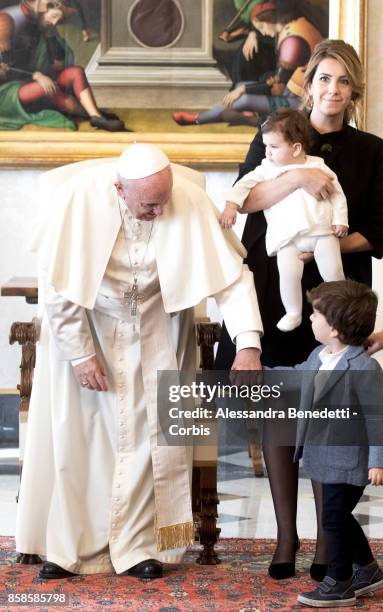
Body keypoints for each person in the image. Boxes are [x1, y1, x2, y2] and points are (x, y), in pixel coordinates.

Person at [15, 144, 263, 580]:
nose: (160, 210)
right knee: (82, 443)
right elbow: (58, 284)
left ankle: (144, 549)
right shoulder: (79, 201)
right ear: (119, 189)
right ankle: (71, 549)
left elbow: (232, 279)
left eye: (164, 199)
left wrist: (247, 343)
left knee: (152, 447)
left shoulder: (184, 200)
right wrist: (80, 355)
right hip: (88, 331)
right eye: (150, 203)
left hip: (158, 330)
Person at [215, 39, 383, 581]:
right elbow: (244, 200)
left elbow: (380, 231)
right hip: (277, 289)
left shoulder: (371, 149)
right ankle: (286, 536)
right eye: (324, 79)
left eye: (343, 81)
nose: (333, 90)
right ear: (309, 82)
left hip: (337, 296)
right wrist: (297, 177)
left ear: (353, 89)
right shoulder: (277, 133)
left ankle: (327, 539)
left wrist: (324, 242)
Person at [283, 280, 383, 607]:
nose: (311, 319)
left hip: (350, 461)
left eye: (316, 315)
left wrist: (380, 460)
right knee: (339, 515)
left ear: (335, 329)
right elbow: (297, 375)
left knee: (332, 517)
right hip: (323, 456)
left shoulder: (363, 367)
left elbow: (377, 418)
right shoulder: (319, 355)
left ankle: (339, 580)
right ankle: (369, 570)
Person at [220, 108, 347, 331]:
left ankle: (340, 305)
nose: (267, 152)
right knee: (288, 276)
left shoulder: (317, 165)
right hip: (288, 238)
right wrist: (231, 205)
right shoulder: (267, 168)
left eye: (274, 147)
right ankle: (293, 312)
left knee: (333, 271)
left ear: (296, 148)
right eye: (266, 146)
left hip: (322, 232)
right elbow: (243, 185)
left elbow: (337, 194)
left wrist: (340, 220)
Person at [173, 0, 323, 127]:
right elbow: (284, 77)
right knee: (239, 88)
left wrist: (245, 89)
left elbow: (278, 88)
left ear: (270, 19)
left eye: (262, 27)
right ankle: (257, 119)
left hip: (302, 103)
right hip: (293, 91)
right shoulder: (293, 26)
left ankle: (197, 119)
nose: (263, 33)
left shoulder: (292, 41)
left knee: (242, 97)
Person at [0, 1, 123, 131]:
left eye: (58, 21)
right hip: (9, 90)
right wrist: (36, 75)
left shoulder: (44, 29)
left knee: (76, 72)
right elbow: (5, 69)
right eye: (53, 17)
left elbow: (58, 65)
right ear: (44, 10)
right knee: (47, 88)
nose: (54, 23)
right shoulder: (11, 24)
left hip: (37, 80)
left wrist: (50, 36)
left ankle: (95, 116)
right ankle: (94, 115)